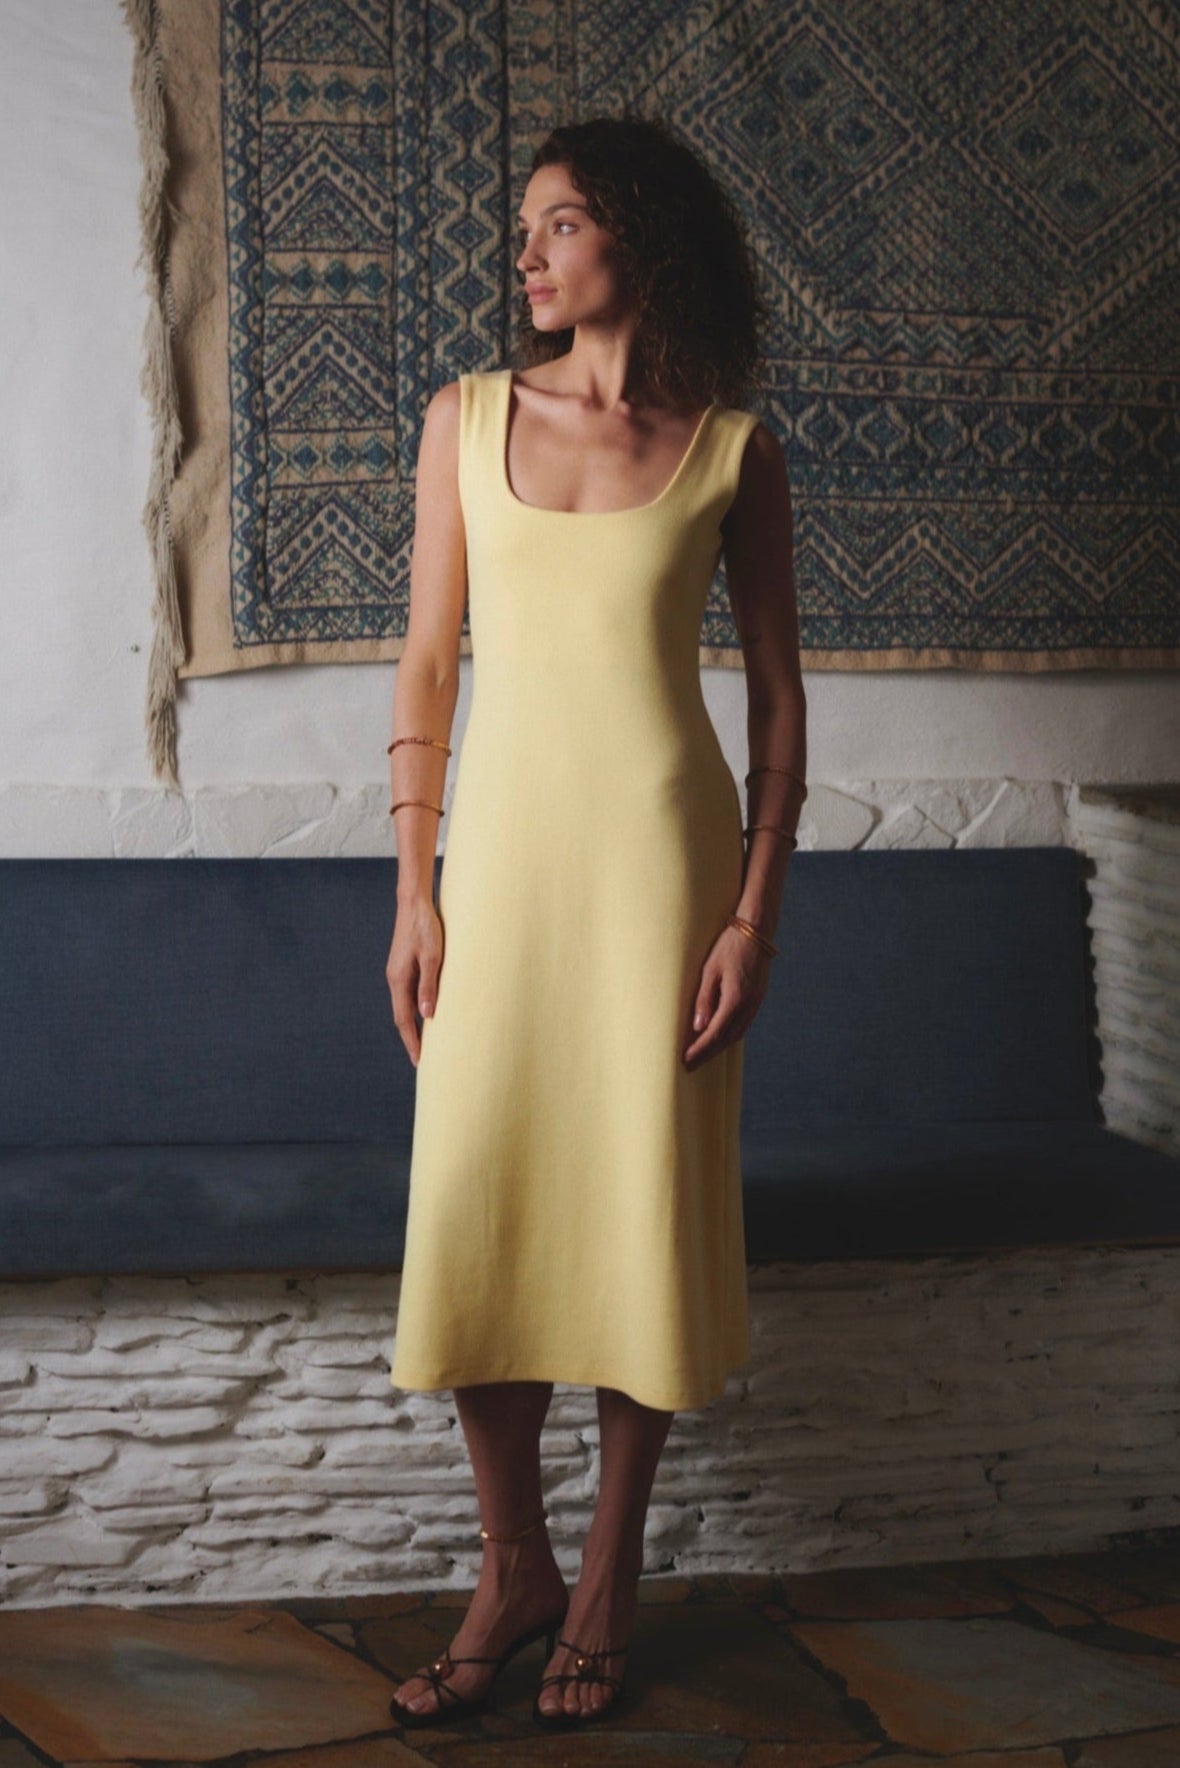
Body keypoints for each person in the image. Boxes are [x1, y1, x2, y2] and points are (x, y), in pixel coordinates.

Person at [383, 112, 806, 1731]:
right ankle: (514, 1567)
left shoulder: (731, 452)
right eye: (525, 231)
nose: (529, 256)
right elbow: (430, 665)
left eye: (559, 224)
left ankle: (609, 1574)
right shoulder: (468, 417)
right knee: (478, 1207)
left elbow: (778, 704)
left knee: (641, 1211)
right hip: (498, 879)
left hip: (661, 881)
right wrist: (413, 891)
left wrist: (754, 918)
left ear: (640, 232)